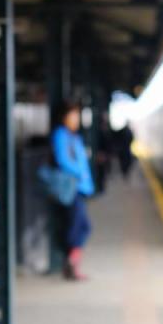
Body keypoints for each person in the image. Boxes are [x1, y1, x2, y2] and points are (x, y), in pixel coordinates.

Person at [52, 102, 95, 280]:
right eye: (73, 115)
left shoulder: (74, 137)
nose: (76, 119)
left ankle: (72, 264)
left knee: (79, 226)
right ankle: (71, 263)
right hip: (72, 188)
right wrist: (81, 175)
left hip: (80, 188)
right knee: (80, 227)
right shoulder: (61, 135)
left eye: (77, 116)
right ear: (64, 117)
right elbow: (63, 161)